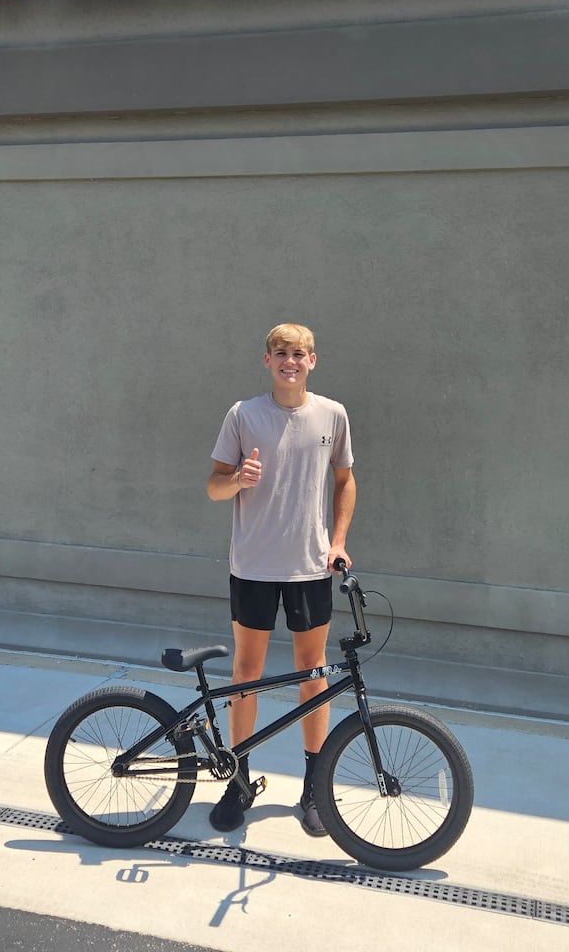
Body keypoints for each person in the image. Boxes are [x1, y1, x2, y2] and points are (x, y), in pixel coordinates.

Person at [205, 322, 355, 837]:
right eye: (280, 353)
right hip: (252, 566)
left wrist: (337, 542)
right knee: (246, 672)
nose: (290, 360)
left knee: (312, 672)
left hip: (310, 566)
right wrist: (236, 481)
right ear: (266, 360)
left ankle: (313, 787)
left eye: (299, 353)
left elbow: (345, 480)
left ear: (313, 360)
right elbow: (213, 488)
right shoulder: (242, 415)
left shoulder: (332, 414)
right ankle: (238, 778)